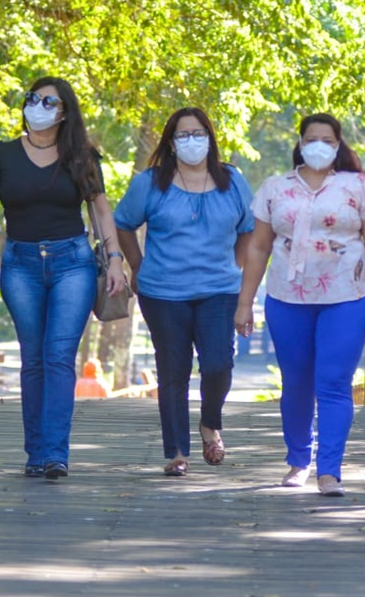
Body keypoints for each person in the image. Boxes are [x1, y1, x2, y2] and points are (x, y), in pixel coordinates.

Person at [0, 76, 125, 481]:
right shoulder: (0, 154)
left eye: (49, 101)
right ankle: (35, 454)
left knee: (58, 356)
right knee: (33, 360)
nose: (38, 105)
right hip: (21, 264)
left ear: (64, 111)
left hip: (73, 261)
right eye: (32, 99)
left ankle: (55, 454)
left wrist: (117, 259)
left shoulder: (82, 155)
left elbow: (101, 211)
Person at [235, 113, 365, 496]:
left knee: (334, 383)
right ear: (300, 144)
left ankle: (330, 470)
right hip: (287, 299)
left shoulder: (357, 187)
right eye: (312, 138)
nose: (319, 145)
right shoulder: (276, 188)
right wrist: (245, 304)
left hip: (348, 296)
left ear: (338, 145)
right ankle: (298, 460)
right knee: (297, 383)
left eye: (327, 139)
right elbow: (257, 248)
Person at [114, 107, 254, 477]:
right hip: (162, 292)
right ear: (172, 144)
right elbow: (122, 224)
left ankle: (211, 424)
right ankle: (177, 452)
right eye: (183, 135)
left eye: (198, 133)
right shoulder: (149, 182)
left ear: (210, 138)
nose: (192, 141)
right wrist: (137, 265)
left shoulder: (233, 181)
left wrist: (235, 269)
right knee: (173, 371)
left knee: (218, 364)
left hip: (219, 290)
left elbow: (250, 230)